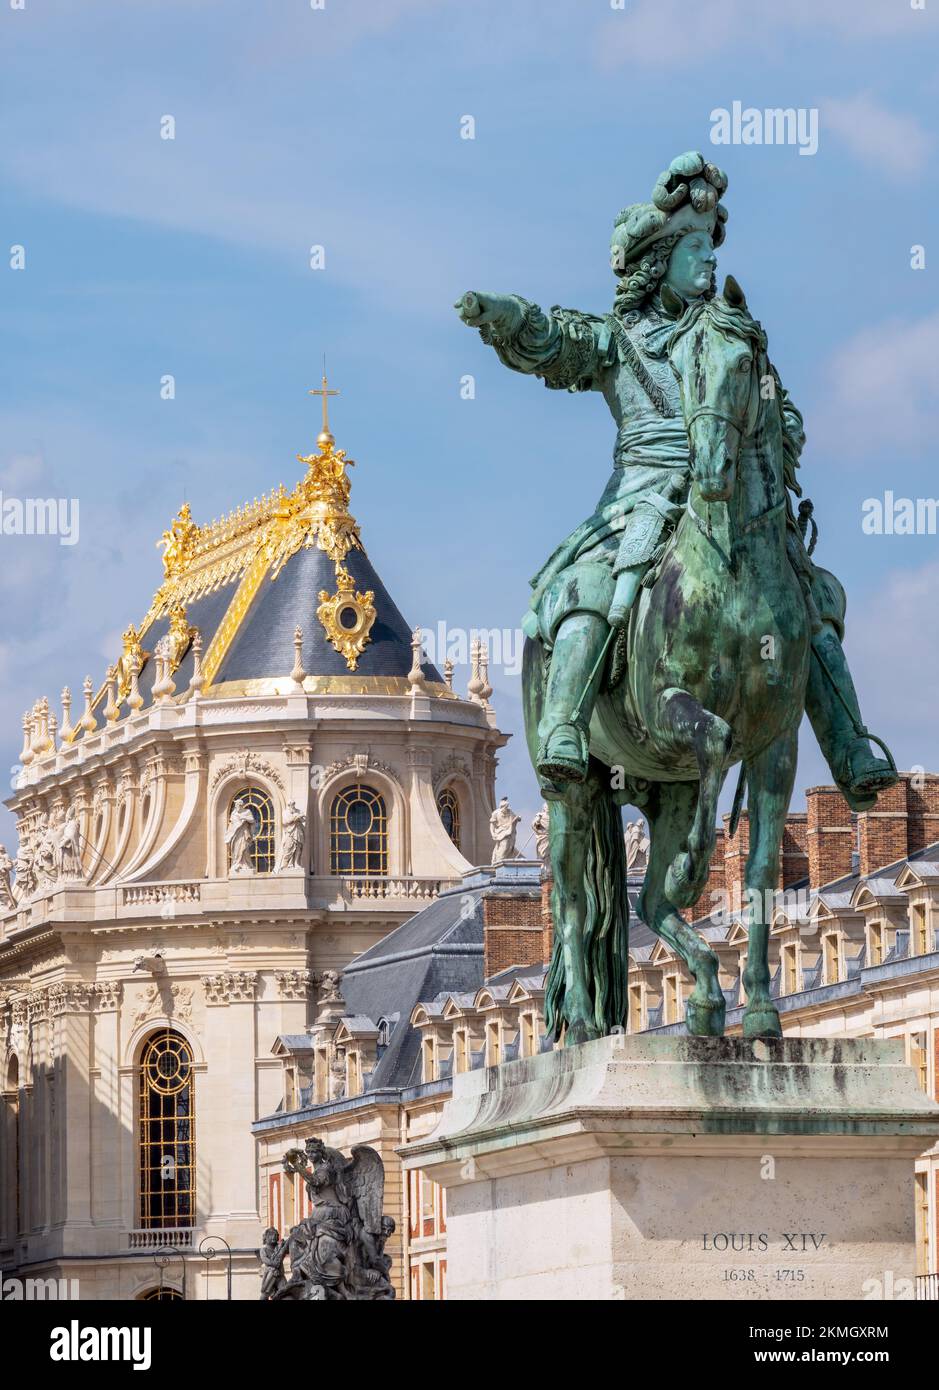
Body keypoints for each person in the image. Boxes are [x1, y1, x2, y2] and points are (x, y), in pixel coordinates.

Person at [456, 150, 895, 812]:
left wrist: (777, 436)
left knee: (810, 602)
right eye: (694, 246)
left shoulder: (731, 340)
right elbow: (551, 341)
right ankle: (567, 726)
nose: (708, 260)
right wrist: (505, 317)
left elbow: (783, 412)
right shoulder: (618, 338)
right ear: (658, 259)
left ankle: (849, 743)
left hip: (729, 499)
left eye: (710, 244)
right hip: (639, 497)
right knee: (587, 591)